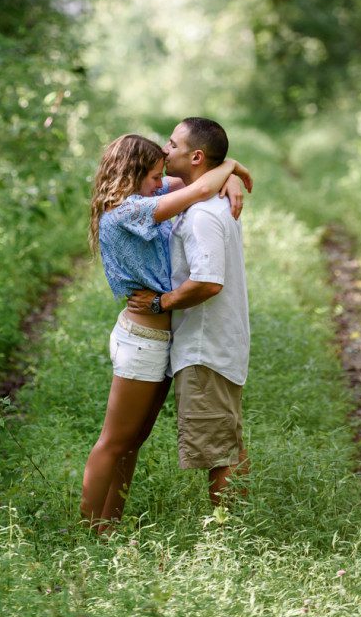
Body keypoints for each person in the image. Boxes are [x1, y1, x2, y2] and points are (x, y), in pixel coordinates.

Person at [81, 132, 252, 531]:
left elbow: (194, 178)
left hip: (160, 340)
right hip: (142, 339)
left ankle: (109, 526)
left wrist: (225, 173)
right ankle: (87, 533)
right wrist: (232, 168)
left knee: (132, 443)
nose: (162, 183)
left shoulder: (145, 197)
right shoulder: (128, 211)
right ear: (132, 175)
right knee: (114, 441)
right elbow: (201, 183)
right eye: (155, 177)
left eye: (162, 176)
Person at [128, 117, 250, 507]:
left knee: (219, 452)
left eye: (172, 144)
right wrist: (229, 169)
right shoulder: (204, 201)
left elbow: (209, 282)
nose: (164, 150)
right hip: (212, 345)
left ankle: (228, 538)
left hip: (205, 347)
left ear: (195, 156)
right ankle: (235, 529)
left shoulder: (201, 215)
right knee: (226, 441)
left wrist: (160, 302)